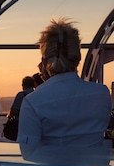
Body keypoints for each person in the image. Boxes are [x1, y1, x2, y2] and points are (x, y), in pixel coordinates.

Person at [18, 18, 111, 147]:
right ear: (78, 58)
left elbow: (27, 151)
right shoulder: (102, 93)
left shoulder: (33, 101)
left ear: (44, 63)